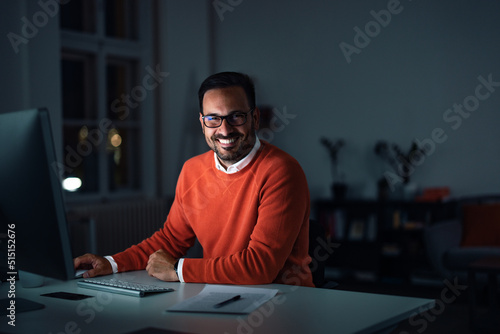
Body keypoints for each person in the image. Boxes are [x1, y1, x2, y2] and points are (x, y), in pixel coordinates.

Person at [74, 72, 313, 287]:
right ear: (202, 123)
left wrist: (179, 269)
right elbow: (170, 241)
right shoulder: (192, 170)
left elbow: (260, 267)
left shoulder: (281, 171)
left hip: (283, 303)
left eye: (236, 117)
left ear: (255, 118)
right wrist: (111, 263)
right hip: (220, 297)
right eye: (213, 119)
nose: (225, 129)